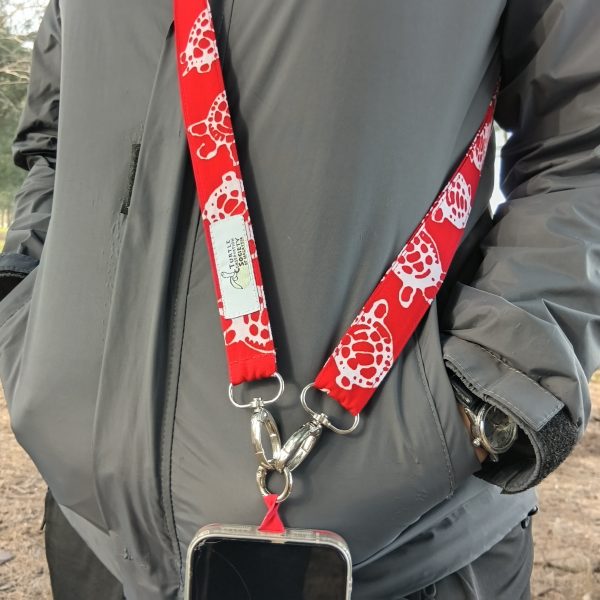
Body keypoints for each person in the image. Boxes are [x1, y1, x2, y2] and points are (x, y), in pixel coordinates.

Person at [0, 0, 598, 598]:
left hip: (397, 549)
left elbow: (581, 145)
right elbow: (52, 135)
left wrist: (482, 398)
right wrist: (22, 293)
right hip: (91, 531)